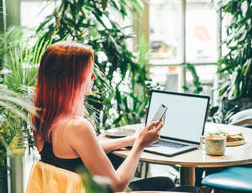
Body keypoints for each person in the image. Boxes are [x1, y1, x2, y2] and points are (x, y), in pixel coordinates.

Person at [32, 41, 200, 193]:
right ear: (72, 79)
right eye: (89, 72)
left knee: (164, 182)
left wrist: (132, 139)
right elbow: (117, 187)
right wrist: (140, 145)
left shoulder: (42, 116)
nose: (94, 77)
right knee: (191, 191)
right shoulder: (77, 126)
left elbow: (89, 149)